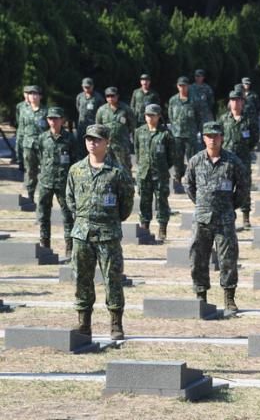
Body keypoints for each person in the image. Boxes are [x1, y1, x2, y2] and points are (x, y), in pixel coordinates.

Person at [67, 124, 134, 340]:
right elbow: (70, 199)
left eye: (97, 140)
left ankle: (116, 324)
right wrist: (83, 219)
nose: (92, 143)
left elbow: (126, 205)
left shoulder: (117, 172)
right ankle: (84, 324)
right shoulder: (76, 170)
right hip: (82, 235)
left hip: (108, 235)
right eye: (89, 139)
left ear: (107, 142)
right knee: (81, 280)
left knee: (112, 280)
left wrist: (110, 221)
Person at [184, 121, 248, 312]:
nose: (213, 139)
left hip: (224, 219)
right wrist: (201, 204)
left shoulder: (232, 161)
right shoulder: (196, 161)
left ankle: (229, 297)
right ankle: (201, 295)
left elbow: (243, 186)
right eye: (209, 136)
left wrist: (231, 206)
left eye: (216, 136)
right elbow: (189, 185)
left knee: (228, 259)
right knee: (198, 257)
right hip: (202, 218)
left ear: (222, 138)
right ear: (203, 138)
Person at [37, 107, 78, 255]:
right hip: (46, 182)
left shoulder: (69, 138)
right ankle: (45, 245)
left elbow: (74, 161)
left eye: (56, 118)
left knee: (67, 215)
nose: (53, 121)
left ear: (62, 120)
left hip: (63, 183)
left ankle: (69, 248)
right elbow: (39, 156)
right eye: (50, 119)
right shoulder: (42, 138)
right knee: (43, 215)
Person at [133, 104, 175, 240]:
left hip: (160, 174)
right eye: (148, 115)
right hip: (144, 173)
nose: (150, 118)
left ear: (158, 116)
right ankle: (145, 228)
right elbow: (137, 152)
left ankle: (162, 228)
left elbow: (171, 156)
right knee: (144, 201)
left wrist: (162, 167)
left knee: (162, 201)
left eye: (153, 115)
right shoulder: (139, 132)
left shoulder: (166, 133)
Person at [220, 90, 259, 229]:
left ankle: (246, 217)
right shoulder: (224, 119)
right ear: (229, 102)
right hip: (227, 161)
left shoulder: (248, 120)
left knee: (244, 188)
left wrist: (246, 149)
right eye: (233, 100)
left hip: (243, 160)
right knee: (225, 188)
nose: (235, 103)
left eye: (238, 100)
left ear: (243, 102)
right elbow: (219, 137)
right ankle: (228, 217)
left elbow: (254, 139)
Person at [16, 85, 47, 203]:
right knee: (30, 172)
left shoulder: (46, 111)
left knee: (45, 171)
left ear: (40, 96)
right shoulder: (24, 111)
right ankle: (30, 196)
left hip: (43, 146)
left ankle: (44, 198)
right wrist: (18, 148)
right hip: (28, 146)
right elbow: (21, 130)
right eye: (30, 94)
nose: (33, 96)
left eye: (35, 94)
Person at [168, 76, 200, 185]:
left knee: (192, 158)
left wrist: (198, 130)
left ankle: (192, 179)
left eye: (184, 86)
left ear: (188, 86)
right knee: (177, 159)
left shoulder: (194, 99)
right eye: (180, 86)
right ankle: (178, 179)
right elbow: (171, 116)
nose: (182, 88)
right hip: (177, 134)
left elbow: (199, 116)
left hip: (191, 134)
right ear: (177, 86)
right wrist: (175, 127)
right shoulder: (173, 100)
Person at [95, 87, 136, 172]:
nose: (110, 98)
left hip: (122, 144)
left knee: (125, 167)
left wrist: (124, 135)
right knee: (106, 166)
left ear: (117, 96)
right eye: (108, 96)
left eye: (112, 96)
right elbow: (98, 127)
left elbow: (132, 124)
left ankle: (126, 184)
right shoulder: (101, 110)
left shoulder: (125, 109)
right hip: (106, 144)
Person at [75, 78, 105, 159]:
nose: (87, 89)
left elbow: (101, 111)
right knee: (81, 147)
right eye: (85, 87)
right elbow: (78, 107)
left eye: (88, 87)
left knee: (93, 147)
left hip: (93, 128)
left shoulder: (98, 97)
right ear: (82, 86)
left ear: (92, 86)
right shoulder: (80, 96)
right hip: (81, 126)